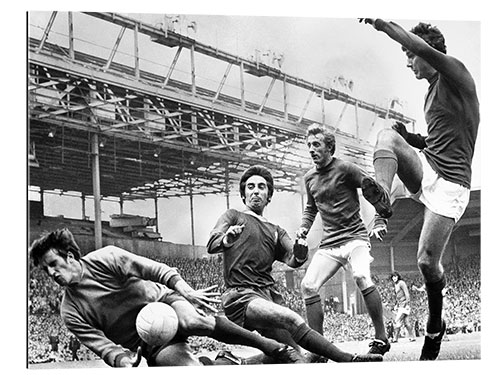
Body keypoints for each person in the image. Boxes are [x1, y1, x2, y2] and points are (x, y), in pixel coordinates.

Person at [359, 18, 479, 360]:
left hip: (453, 183)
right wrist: (409, 138)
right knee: (387, 137)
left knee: (427, 262)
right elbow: (435, 142)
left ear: (427, 52)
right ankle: (382, 196)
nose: (407, 61)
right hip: (430, 168)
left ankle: (435, 323)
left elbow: (420, 45)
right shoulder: (430, 94)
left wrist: (382, 23)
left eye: (409, 54)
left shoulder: (456, 74)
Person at [29, 228, 302, 367]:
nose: (51, 273)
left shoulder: (107, 257)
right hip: (148, 342)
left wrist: (185, 290)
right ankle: (225, 361)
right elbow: (101, 346)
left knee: (197, 321)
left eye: (52, 263)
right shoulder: (70, 311)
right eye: (45, 270)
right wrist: (124, 360)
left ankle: (271, 346)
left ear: (70, 256)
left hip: (165, 303)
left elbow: (155, 269)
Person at [207, 165, 383, 363]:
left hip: (267, 296)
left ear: (269, 196)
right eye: (250, 187)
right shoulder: (233, 216)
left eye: (261, 187)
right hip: (241, 295)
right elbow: (212, 244)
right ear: (243, 194)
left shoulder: (276, 231)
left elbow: (293, 260)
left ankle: (233, 362)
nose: (255, 191)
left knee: (292, 355)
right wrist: (227, 240)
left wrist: (301, 251)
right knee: (291, 319)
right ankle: (348, 359)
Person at [296, 124, 390, 356]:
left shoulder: (346, 169)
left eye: (316, 144)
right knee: (308, 286)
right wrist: (303, 229)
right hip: (330, 243)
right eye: (308, 145)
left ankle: (381, 337)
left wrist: (381, 214)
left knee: (360, 275)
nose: (311, 149)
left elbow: (373, 191)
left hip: (355, 237)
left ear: (330, 147)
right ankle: (318, 349)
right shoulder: (309, 178)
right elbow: (311, 209)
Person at [390, 272, 416, 343]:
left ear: (398, 276)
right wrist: (396, 305)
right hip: (400, 305)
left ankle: (395, 338)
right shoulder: (396, 284)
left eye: (395, 276)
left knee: (397, 320)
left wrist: (407, 304)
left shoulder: (401, 283)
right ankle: (412, 337)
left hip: (404, 304)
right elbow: (397, 296)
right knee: (406, 322)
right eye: (392, 277)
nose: (394, 278)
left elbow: (407, 294)